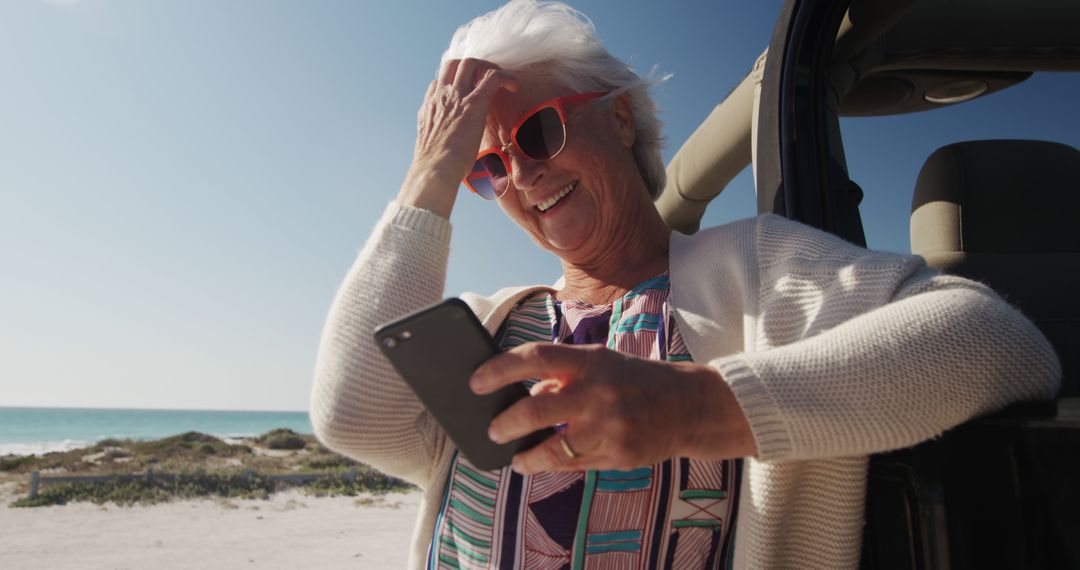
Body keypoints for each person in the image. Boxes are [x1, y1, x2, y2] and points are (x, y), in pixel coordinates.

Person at [309, 1, 1061, 568]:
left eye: (537, 132)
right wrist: (428, 174)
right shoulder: (491, 328)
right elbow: (348, 416)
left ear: (623, 119)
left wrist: (700, 408)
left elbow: (1000, 343)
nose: (523, 175)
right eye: (488, 166)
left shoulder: (756, 270)